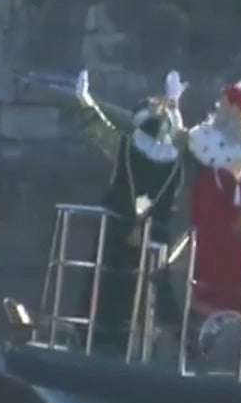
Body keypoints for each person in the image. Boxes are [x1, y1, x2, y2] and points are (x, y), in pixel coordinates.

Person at [71, 69, 190, 355]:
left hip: (118, 227)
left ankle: (96, 338)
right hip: (156, 232)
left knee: (106, 281)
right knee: (152, 289)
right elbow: (188, 136)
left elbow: (96, 129)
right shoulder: (176, 158)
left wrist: (84, 101)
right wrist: (173, 102)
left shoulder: (127, 146)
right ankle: (159, 343)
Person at [186, 80, 241, 318]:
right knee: (213, 278)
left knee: (235, 279)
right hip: (216, 230)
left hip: (233, 233)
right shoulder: (207, 143)